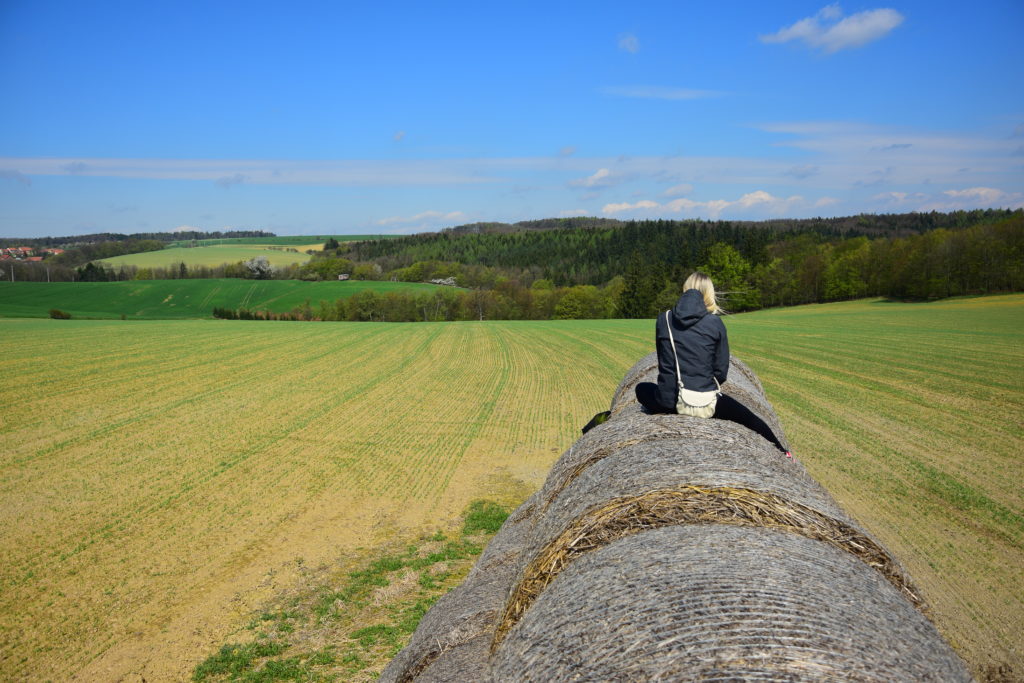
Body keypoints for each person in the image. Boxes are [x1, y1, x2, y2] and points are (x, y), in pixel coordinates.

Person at [634, 272, 791, 456]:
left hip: (668, 402)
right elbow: (721, 371)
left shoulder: (664, 319)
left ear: (685, 289)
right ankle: (784, 453)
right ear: (709, 294)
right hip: (706, 402)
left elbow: (664, 362)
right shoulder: (715, 323)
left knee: (641, 389)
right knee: (751, 420)